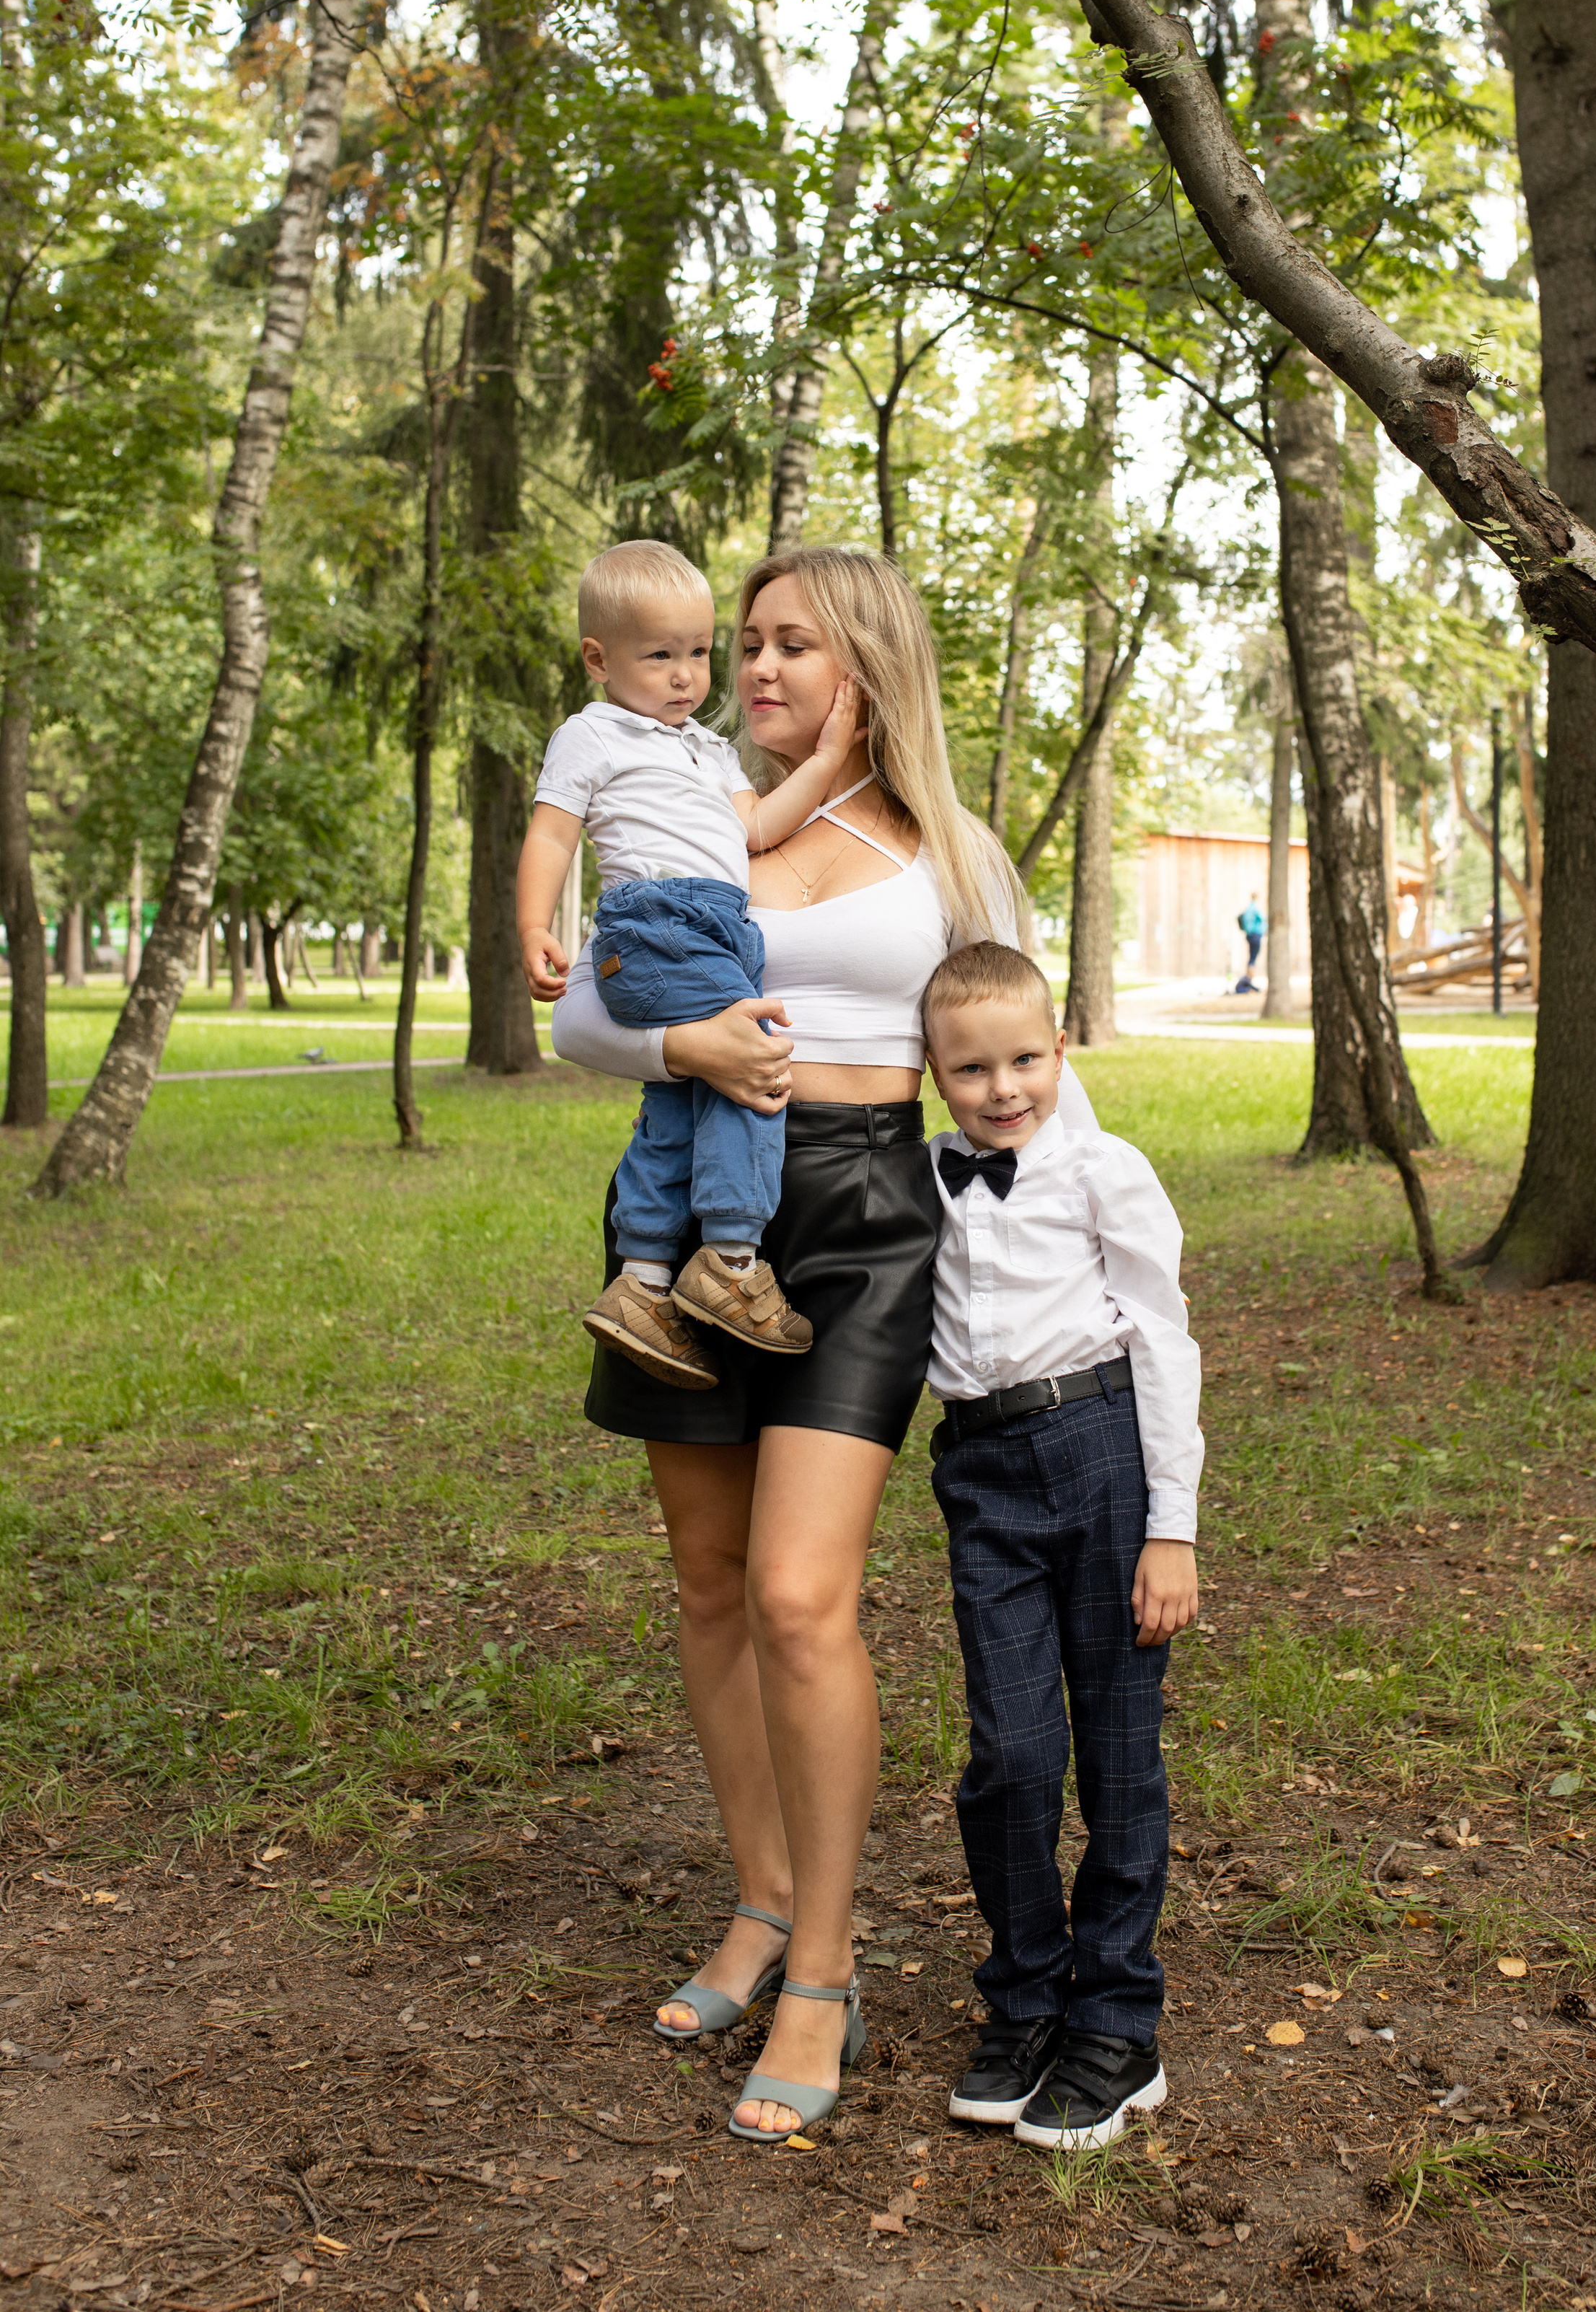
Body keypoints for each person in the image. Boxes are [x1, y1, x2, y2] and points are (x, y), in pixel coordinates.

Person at [549, 546, 1098, 2147]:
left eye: (793, 643)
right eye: (748, 644)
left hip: (864, 1222)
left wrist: (1091, 1292)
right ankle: (762, 1900)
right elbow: (584, 1011)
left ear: (864, 660)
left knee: (800, 1595)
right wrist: (685, 1042)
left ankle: (828, 1967)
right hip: (688, 1217)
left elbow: (1029, 1069)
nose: (756, 670)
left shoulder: (950, 853)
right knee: (710, 1585)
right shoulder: (687, 807)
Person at [920, 940, 1202, 2153]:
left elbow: (1165, 1340)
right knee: (1013, 1753)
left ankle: (1119, 2024)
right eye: (972, 1068)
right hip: (982, 1476)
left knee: (1119, 1755)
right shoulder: (922, 1183)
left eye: (1025, 1060)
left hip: (1101, 1458)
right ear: (933, 1073)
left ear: (1061, 1052)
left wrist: (1172, 1529)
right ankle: (1028, 1996)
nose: (1003, 1088)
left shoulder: (1105, 1170)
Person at [516, 539, 860, 1384]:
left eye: (700, 653)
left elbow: (757, 828)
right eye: (659, 656)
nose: (685, 676)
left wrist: (824, 762)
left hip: (717, 928)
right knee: (756, 1065)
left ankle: (643, 1279)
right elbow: (552, 834)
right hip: (657, 922)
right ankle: (733, 1260)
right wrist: (533, 925)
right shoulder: (590, 735)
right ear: (598, 659)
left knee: (683, 1098)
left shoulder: (710, 750)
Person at [1235, 895, 1264, 993]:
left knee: (1251, 958)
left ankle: (1248, 978)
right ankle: (1249, 977)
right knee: (1253, 959)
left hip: (1249, 935)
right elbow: (1262, 918)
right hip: (1256, 935)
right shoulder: (1255, 909)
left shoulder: (1248, 909)